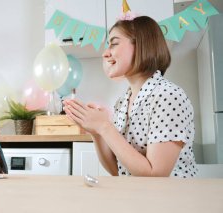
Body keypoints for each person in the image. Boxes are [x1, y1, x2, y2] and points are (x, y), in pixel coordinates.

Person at [63, 16, 198, 178]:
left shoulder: (168, 95)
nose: (105, 53)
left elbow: (156, 175)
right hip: (140, 198)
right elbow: (118, 170)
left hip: (170, 200)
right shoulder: (123, 102)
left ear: (141, 44)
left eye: (113, 43)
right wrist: (96, 131)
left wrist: (105, 126)